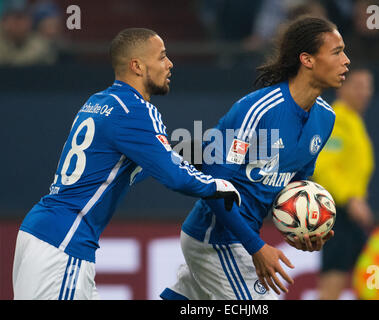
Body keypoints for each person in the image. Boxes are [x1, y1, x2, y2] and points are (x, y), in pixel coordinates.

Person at [12, 28, 241, 300]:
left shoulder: (99, 102)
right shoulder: (136, 110)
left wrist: (205, 150)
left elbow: (150, 158)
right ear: (137, 66)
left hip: (39, 233)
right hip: (64, 243)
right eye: (162, 57)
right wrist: (216, 185)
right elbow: (174, 176)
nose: (170, 64)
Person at [161, 16, 350, 300]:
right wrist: (256, 247)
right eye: (337, 52)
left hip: (238, 238)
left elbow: (295, 188)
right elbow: (215, 188)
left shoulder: (326, 118)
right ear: (307, 60)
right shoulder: (258, 110)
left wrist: (301, 228)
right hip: (218, 237)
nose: (346, 60)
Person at [312, 68, 375, 300]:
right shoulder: (336, 120)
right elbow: (324, 166)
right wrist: (351, 199)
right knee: (333, 283)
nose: (365, 92)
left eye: (368, 86)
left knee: (374, 279)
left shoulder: (353, 121)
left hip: (350, 214)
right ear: (342, 88)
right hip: (338, 212)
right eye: (358, 86)